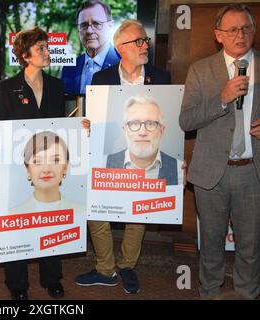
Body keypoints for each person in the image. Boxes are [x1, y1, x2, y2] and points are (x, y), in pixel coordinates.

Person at [75, 19, 171, 294]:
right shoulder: (101, 79)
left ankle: (127, 265)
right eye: (138, 41)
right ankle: (106, 269)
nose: (145, 46)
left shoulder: (161, 78)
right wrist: (87, 124)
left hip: (145, 156)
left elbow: (169, 122)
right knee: (96, 209)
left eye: (146, 41)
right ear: (120, 47)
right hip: (109, 154)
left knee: (137, 211)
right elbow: (92, 117)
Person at [179, 4, 260, 300]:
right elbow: (186, 120)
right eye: (233, 29)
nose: (241, 35)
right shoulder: (201, 70)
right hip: (211, 174)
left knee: (251, 249)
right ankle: (209, 294)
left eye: (246, 28)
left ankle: (247, 295)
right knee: (211, 247)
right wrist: (222, 99)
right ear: (218, 35)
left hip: (254, 173)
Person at [0, 27, 66, 300]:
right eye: (41, 49)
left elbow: (62, 130)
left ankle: (52, 278)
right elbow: (1, 128)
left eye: (48, 47)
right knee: (19, 224)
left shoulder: (57, 87)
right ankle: (17, 285)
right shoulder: (6, 88)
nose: (48, 52)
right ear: (25, 55)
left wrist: (79, 127)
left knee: (50, 220)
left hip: (49, 168)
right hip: (18, 167)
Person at [107, 96, 183, 186]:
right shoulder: (103, 165)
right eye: (134, 123)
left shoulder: (180, 170)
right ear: (125, 130)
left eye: (150, 123)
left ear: (162, 131)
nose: (142, 132)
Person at [10, 131, 85, 214]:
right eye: (37, 161)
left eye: (55, 160)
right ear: (28, 169)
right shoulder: (11, 215)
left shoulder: (81, 212)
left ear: (65, 166)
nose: (46, 169)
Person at [61, 0, 120, 95]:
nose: (89, 31)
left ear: (110, 26)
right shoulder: (69, 69)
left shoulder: (123, 64)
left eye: (96, 24)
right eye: (83, 25)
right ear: (78, 30)